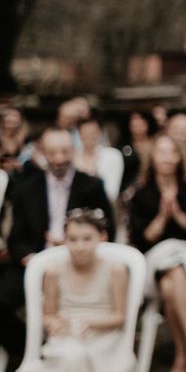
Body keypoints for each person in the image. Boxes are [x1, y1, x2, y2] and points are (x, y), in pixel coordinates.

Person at [0, 127, 113, 370]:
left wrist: (72, 247)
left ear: (73, 150)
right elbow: (15, 238)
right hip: (34, 262)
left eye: (64, 151)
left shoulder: (92, 185)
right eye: (53, 153)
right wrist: (30, 258)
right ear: (42, 153)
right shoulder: (26, 189)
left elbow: (108, 231)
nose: (59, 159)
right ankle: (28, 349)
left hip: (81, 264)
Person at [19, 208, 135, 372]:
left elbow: (119, 316)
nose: (79, 246)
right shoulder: (54, 271)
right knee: (72, 357)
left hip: (105, 337)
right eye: (73, 239)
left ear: (102, 238)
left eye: (87, 239)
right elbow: (49, 315)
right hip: (67, 335)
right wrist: (55, 324)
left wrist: (88, 323)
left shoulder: (115, 269)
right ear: (65, 240)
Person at [127, 133, 186, 372]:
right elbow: (142, 239)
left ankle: (182, 354)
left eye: (172, 152)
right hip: (156, 262)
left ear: (180, 156)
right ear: (152, 158)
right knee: (171, 273)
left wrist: (177, 213)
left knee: (170, 286)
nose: (167, 157)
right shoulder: (142, 192)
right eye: (161, 152)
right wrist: (162, 216)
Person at [74, 117, 124, 202]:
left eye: (93, 132)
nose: (89, 136)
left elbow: (112, 192)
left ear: (100, 133)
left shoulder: (113, 155)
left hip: (103, 207)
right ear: (79, 134)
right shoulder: (72, 157)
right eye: (85, 132)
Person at [117, 110, 158, 196]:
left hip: (153, 187)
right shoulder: (122, 146)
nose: (138, 127)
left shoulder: (157, 143)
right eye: (134, 125)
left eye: (141, 123)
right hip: (128, 189)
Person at [0, 107, 30, 175]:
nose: (12, 126)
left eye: (15, 123)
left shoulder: (25, 140)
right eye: (8, 122)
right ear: (2, 123)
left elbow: (29, 159)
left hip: (19, 175)